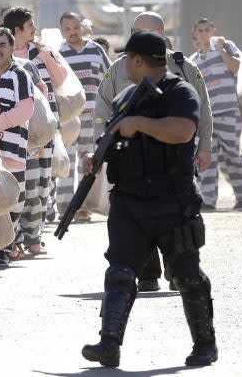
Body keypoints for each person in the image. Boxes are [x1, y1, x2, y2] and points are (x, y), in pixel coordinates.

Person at [81, 31, 217, 368]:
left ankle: (205, 344)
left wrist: (140, 122)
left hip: (172, 201)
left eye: (128, 57)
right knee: (120, 272)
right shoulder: (127, 95)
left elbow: (183, 131)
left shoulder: (180, 92)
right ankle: (108, 344)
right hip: (130, 201)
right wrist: (96, 155)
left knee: (187, 275)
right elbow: (112, 135)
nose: (124, 63)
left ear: (140, 60)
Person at [94, 11, 213, 292]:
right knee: (134, 223)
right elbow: (102, 113)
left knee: (176, 226)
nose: (138, 38)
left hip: (173, 166)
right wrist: (98, 151)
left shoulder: (184, 70)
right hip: (134, 168)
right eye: (136, 31)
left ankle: (177, 270)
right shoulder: (118, 70)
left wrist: (205, 146)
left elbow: (203, 111)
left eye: (146, 34)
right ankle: (148, 274)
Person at [4, 7, 67, 257]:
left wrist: (47, 54)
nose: (34, 30)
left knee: (40, 184)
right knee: (21, 185)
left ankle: (34, 236)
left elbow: (60, 79)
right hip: (17, 133)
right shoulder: (1, 55)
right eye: (30, 25)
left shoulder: (40, 53)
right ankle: (15, 238)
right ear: (17, 30)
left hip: (43, 129)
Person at [190, 18, 242, 209]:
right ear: (194, 33)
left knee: (232, 154)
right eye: (199, 30)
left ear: (213, 31)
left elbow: (237, 68)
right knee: (205, 156)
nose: (203, 34)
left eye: (206, 30)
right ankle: (207, 199)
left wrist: (219, 49)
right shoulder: (192, 61)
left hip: (228, 111)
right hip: (206, 117)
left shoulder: (226, 47)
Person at [0, 28, 35, 251]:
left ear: (12, 48)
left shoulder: (19, 75)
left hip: (13, 150)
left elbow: (25, 110)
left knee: (13, 200)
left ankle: (10, 243)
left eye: (2, 45)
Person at [58, 12, 112, 224]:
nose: (73, 32)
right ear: (62, 31)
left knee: (89, 162)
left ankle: (83, 207)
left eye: (76, 27)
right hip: (69, 118)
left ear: (83, 27)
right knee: (67, 163)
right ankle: (64, 207)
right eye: (68, 29)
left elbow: (109, 76)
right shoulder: (58, 52)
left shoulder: (95, 49)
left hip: (94, 116)